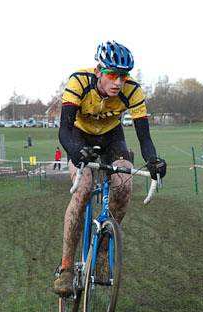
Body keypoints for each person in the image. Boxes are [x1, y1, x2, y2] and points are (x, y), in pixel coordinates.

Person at [53, 40, 167, 296]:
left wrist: (154, 160)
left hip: (111, 138)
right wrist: (74, 151)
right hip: (79, 137)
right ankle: (67, 267)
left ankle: (102, 252)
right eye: (112, 75)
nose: (118, 82)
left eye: (123, 76)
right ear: (98, 72)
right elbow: (64, 129)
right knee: (82, 190)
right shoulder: (78, 83)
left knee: (124, 185)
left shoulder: (133, 92)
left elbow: (144, 138)